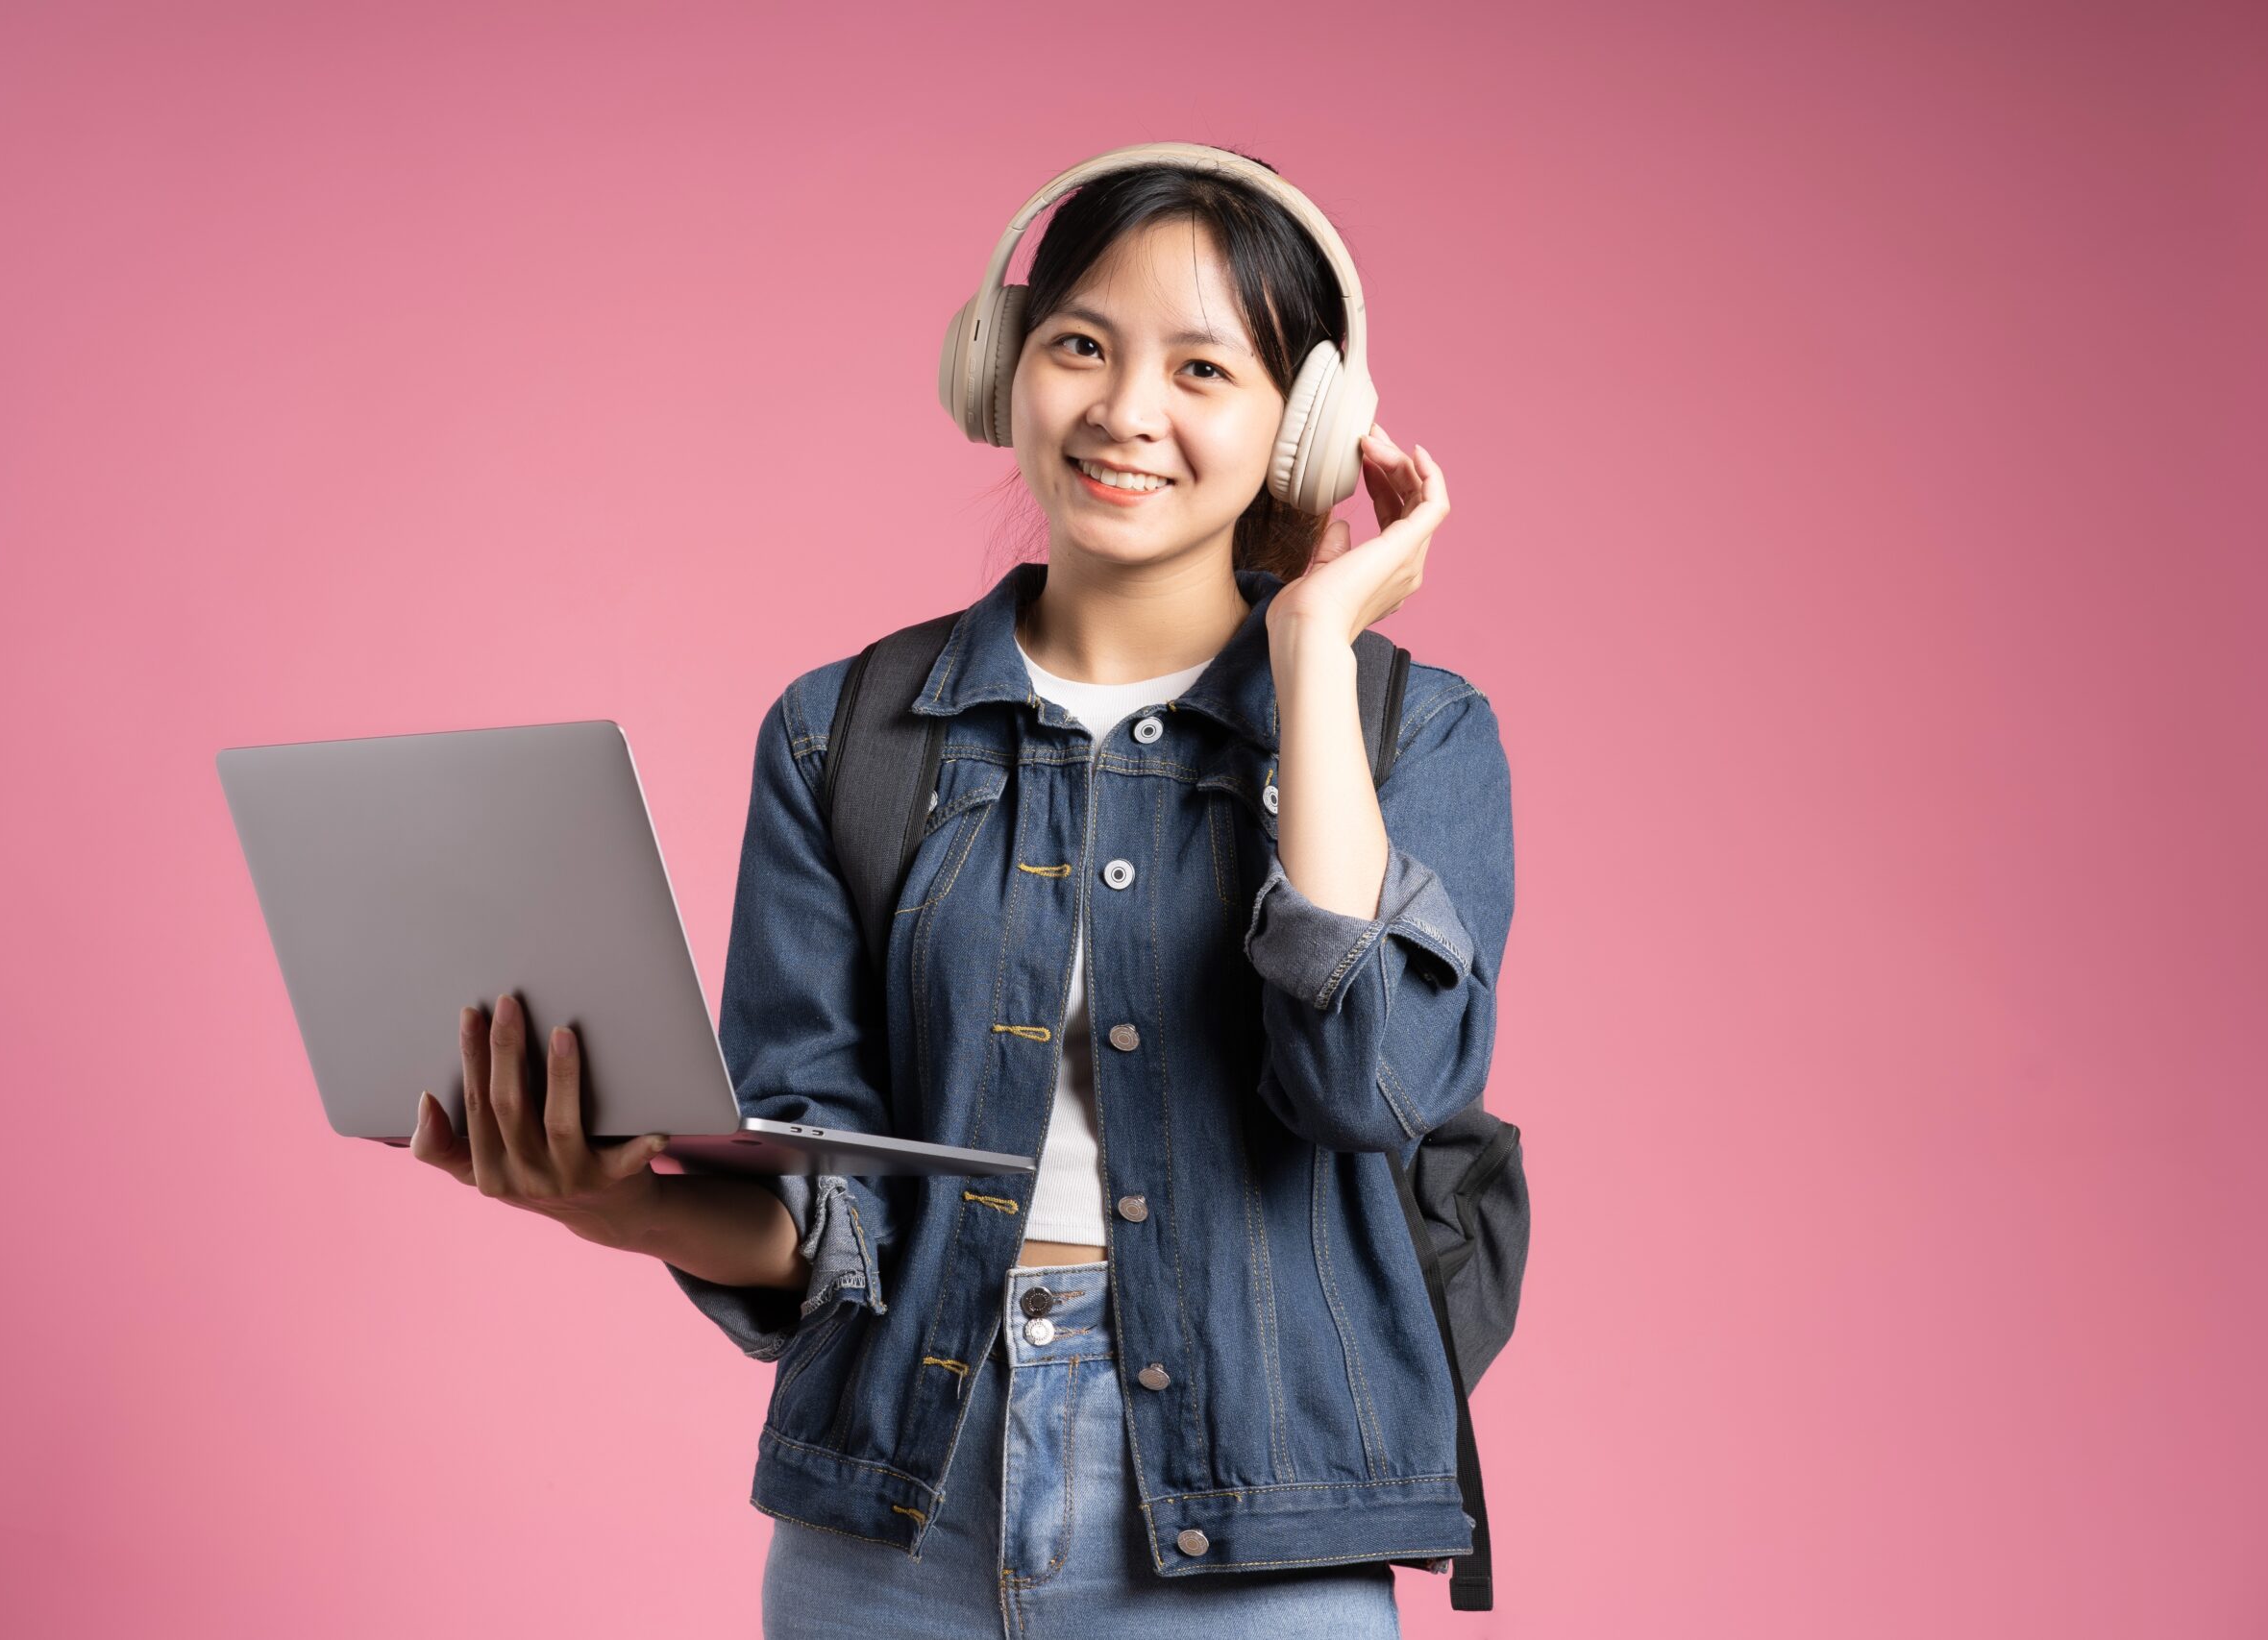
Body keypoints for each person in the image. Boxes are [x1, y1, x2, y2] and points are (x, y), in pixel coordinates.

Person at [410, 145, 1516, 1638]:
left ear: (1305, 431)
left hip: (1259, 1526)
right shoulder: (845, 730)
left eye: (1204, 370)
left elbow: (1364, 1082)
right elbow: (828, 1208)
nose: (1126, 411)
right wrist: (615, 1203)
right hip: (898, 1510)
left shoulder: (1409, 731)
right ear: (1000, 367)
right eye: (1080, 345)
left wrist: (1314, 645)